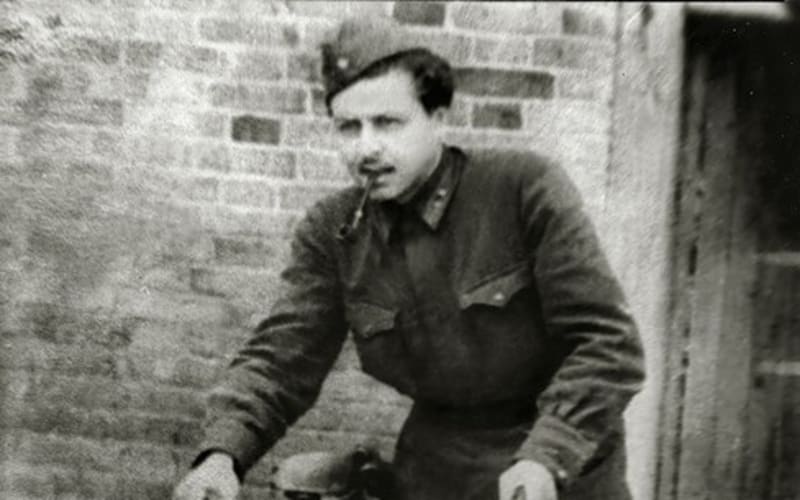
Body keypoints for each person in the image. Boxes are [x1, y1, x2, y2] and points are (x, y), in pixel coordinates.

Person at [173, 14, 644, 500]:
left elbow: (608, 344)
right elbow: (281, 359)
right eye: (349, 127)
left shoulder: (523, 189)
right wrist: (222, 457)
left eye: (388, 123)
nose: (366, 148)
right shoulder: (335, 232)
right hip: (436, 472)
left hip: (560, 463)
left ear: (438, 119)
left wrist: (546, 458)